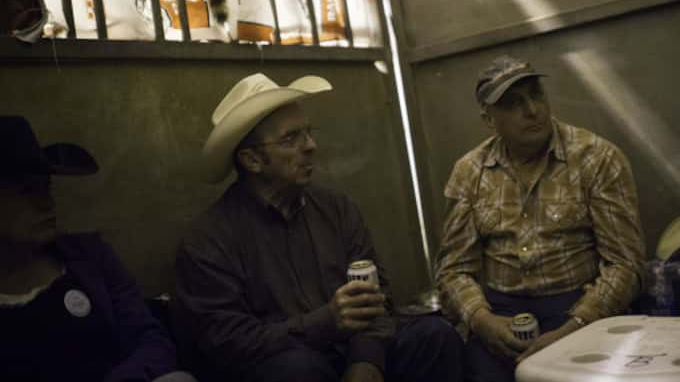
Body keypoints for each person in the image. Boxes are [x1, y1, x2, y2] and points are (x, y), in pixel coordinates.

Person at [173, 73, 464, 382]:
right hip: (285, 366)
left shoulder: (337, 209)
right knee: (298, 371)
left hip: (353, 352)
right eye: (291, 139)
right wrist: (325, 322)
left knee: (434, 336)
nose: (311, 146)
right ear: (252, 160)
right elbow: (227, 343)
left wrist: (366, 363)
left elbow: (377, 300)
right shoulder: (209, 240)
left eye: (309, 133)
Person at [434, 55, 646, 382]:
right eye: (513, 104)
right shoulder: (469, 172)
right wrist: (482, 320)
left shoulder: (596, 158)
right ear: (489, 119)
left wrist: (575, 326)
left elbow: (626, 264)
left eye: (536, 95)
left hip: (581, 312)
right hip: (500, 320)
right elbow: (452, 270)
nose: (532, 110)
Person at [0, 115, 195, 382]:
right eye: (25, 191)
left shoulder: (89, 257)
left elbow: (150, 339)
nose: (46, 203)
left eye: (46, 188)